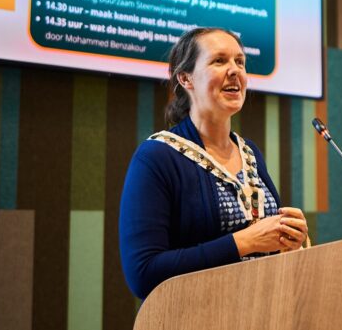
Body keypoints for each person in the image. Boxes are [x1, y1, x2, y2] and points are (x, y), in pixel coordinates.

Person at [119, 27, 309, 300]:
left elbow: (261, 246)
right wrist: (244, 242)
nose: (235, 71)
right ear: (185, 78)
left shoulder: (250, 153)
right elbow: (144, 273)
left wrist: (287, 237)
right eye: (219, 61)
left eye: (240, 62)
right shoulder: (157, 156)